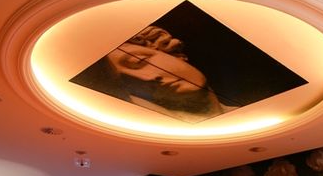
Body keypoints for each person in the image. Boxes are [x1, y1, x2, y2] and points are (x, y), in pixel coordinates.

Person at [70, 26, 234, 123]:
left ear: (171, 53)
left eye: (139, 61)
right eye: (127, 82)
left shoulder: (241, 116)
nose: (147, 78)